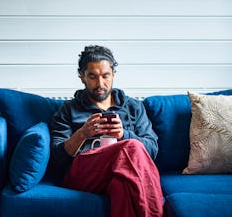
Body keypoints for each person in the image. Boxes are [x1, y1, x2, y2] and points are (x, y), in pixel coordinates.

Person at [50, 45, 163, 217]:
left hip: (123, 171)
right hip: (83, 174)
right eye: (93, 77)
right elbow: (57, 158)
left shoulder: (133, 107)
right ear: (82, 77)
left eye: (105, 76)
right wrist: (82, 133)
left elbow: (152, 149)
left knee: (122, 185)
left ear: (113, 75)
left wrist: (123, 135)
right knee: (131, 147)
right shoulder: (69, 109)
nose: (100, 84)